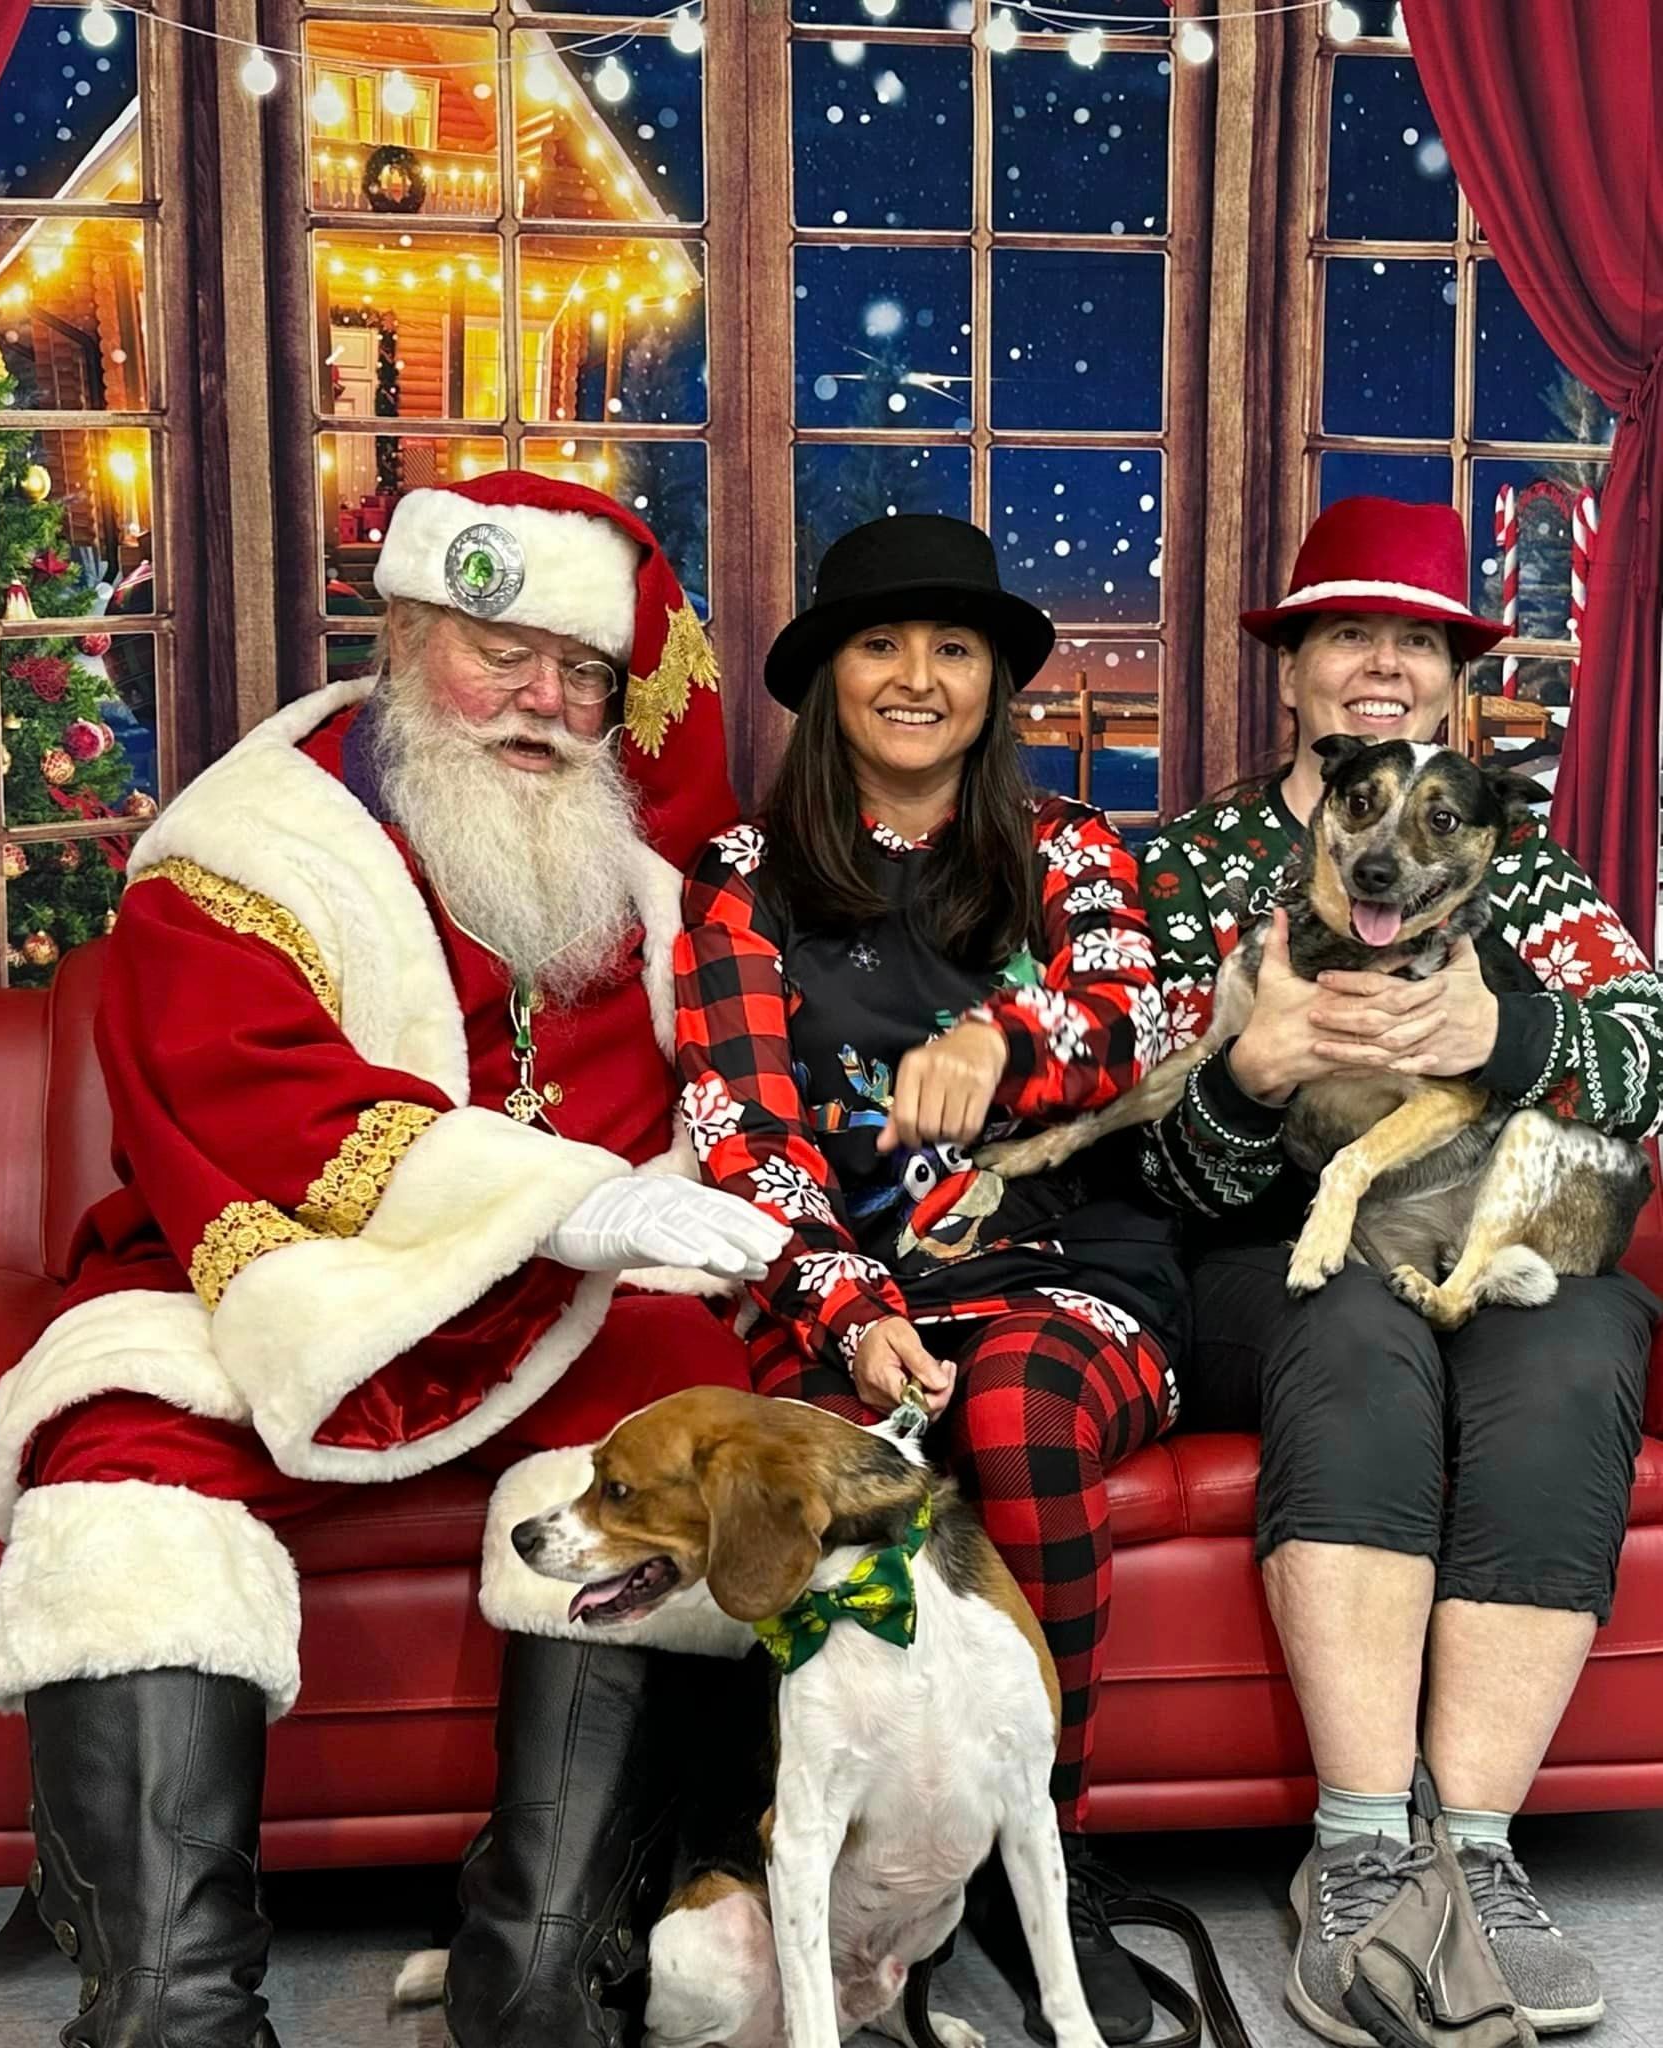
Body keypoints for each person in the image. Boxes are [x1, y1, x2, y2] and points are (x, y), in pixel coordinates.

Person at [0, 470, 791, 2048]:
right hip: (265, 1268)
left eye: (584, 672)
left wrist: (667, 1211)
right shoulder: (246, 845)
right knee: (118, 1472)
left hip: (559, 1298)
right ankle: (173, 2003)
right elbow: (250, 1093)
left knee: (689, 1411)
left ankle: (543, 1974)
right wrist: (557, 1200)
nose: (543, 703)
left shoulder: (633, 877)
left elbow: (708, 1098)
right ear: (407, 634)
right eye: (502, 651)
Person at [1136, 495, 1661, 2043]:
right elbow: (1150, 1165)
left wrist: (1517, 1036)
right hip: (1264, 1266)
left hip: (1480, 1239)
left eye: (1416, 640)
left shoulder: (1529, 873)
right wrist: (1252, 1077)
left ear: (1450, 679)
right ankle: (1363, 1852)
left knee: (1580, 1331)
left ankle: (1478, 1858)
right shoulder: (1193, 867)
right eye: (1347, 633)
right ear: (1291, 670)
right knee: (1353, 1319)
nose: (1382, 663)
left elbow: (1648, 1059)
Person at [674, 513, 1182, 2045]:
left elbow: (1135, 1018)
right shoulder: (745, 880)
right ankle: (798, 1871)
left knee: (1018, 1406)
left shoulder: (1076, 848)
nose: (917, 676)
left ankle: (1054, 1849)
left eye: (953, 648)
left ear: (994, 683)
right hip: (848, 1284)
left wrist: (998, 1045)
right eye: (880, 645)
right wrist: (854, 1306)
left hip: (1067, 1271)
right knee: (802, 1472)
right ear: (828, 679)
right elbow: (743, 1137)